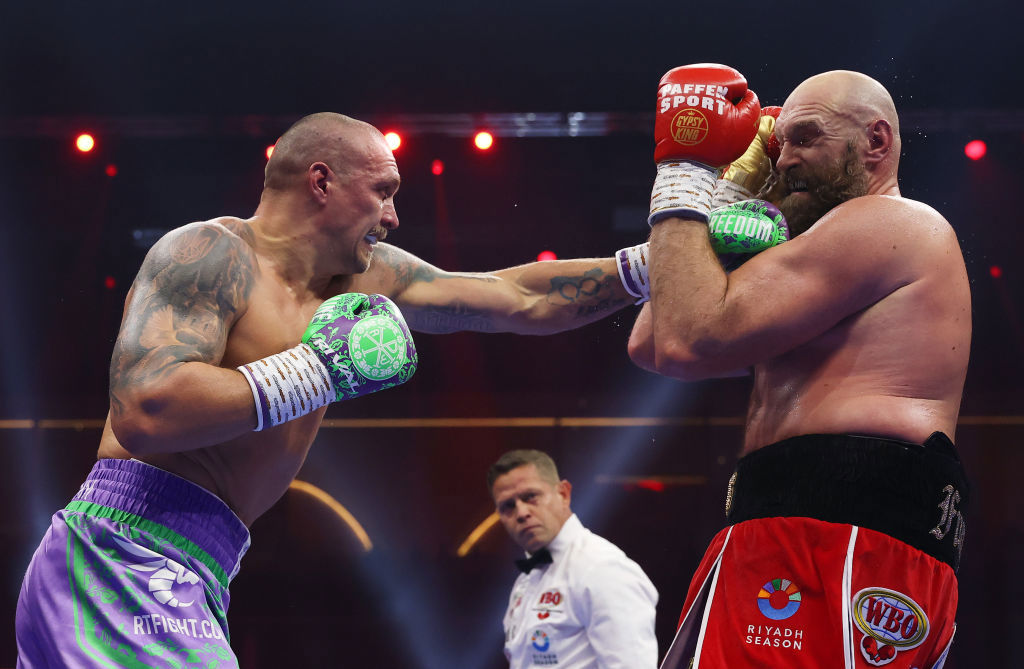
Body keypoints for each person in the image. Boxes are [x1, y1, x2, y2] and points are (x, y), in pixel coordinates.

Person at [15, 112, 647, 668]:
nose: (394, 217)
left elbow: (515, 298)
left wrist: (654, 266)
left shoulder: (368, 279)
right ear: (322, 181)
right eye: (383, 192)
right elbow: (146, 410)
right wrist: (316, 371)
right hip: (122, 553)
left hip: (197, 565)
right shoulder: (210, 253)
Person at [629, 66, 971, 668]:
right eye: (777, 143)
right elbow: (654, 343)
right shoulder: (812, 247)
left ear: (876, 142)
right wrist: (733, 192)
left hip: (840, 538)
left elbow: (688, 339)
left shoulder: (890, 223)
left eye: (806, 137)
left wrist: (688, 173)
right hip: (790, 525)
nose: (783, 161)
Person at [488, 449, 659, 668]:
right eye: (508, 506)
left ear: (563, 494)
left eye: (531, 496)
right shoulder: (525, 581)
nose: (521, 513)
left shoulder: (601, 567)